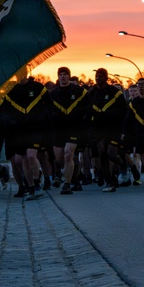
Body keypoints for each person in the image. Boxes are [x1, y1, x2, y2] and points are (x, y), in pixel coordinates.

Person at [50, 67, 88, 195]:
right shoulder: (53, 94)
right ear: (58, 77)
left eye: (65, 74)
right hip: (59, 129)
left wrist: (80, 116)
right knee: (60, 159)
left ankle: (67, 184)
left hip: (74, 128)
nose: (63, 77)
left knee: (68, 154)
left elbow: (87, 106)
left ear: (69, 77)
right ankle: (67, 175)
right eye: (61, 75)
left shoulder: (79, 91)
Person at [88, 68, 127, 192]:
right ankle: (109, 181)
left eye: (100, 76)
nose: (98, 78)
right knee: (102, 153)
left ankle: (123, 166)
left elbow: (123, 111)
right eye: (96, 76)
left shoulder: (115, 92)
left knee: (111, 153)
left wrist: (106, 114)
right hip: (98, 128)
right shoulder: (92, 92)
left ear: (106, 78)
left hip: (114, 127)